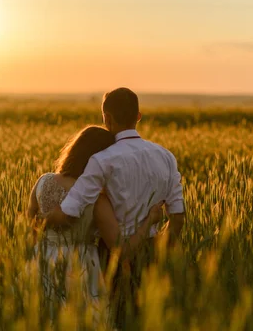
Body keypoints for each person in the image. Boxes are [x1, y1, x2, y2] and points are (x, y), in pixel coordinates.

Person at [45, 88, 186, 328]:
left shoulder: (101, 161)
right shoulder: (166, 156)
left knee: (115, 321)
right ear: (138, 116)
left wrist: (42, 215)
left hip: (110, 258)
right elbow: (178, 217)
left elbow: (69, 211)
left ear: (107, 119)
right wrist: (158, 249)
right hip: (153, 256)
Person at [26, 125, 165, 317]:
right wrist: (150, 220)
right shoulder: (96, 198)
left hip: (39, 264)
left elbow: (30, 228)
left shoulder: (43, 182)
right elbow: (121, 250)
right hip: (80, 272)